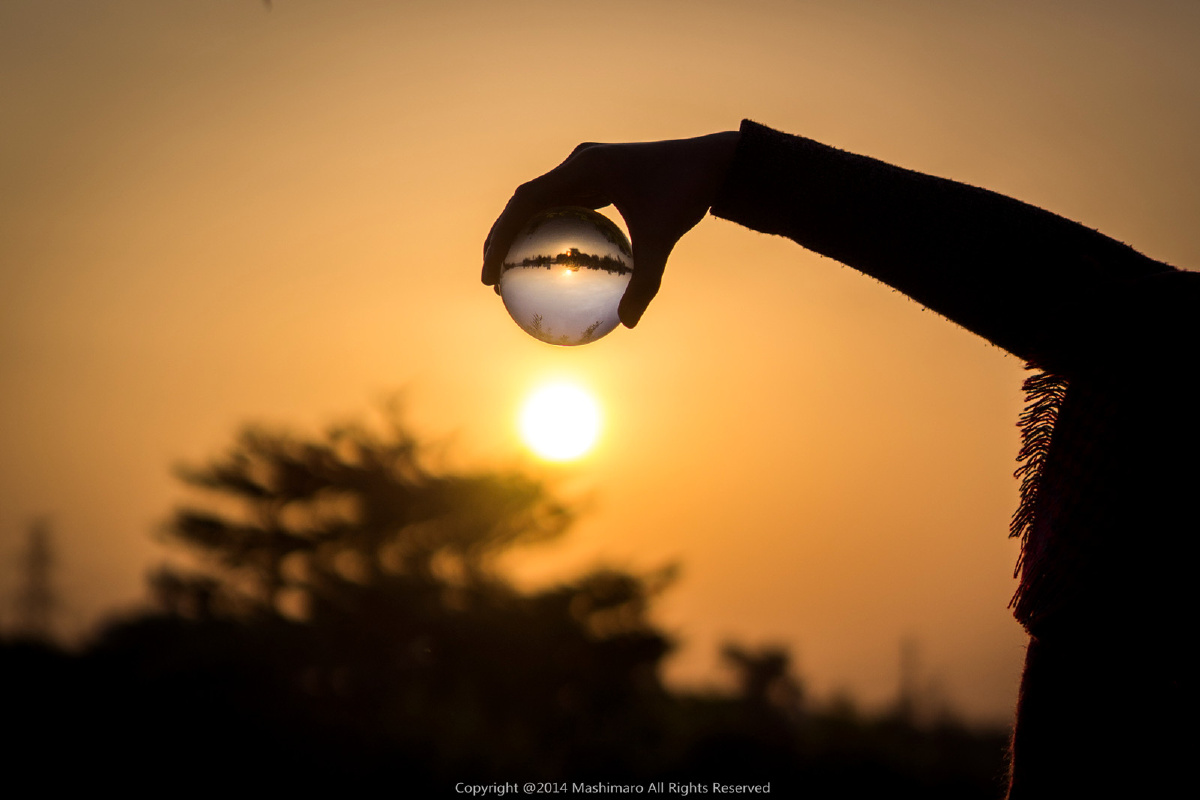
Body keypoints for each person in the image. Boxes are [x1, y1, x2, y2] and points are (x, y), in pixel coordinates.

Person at [482, 121, 1197, 798]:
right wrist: (737, 170)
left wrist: (742, 171)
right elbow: (1121, 317)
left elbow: (1118, 321)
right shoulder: (1156, 355)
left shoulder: (1158, 359)